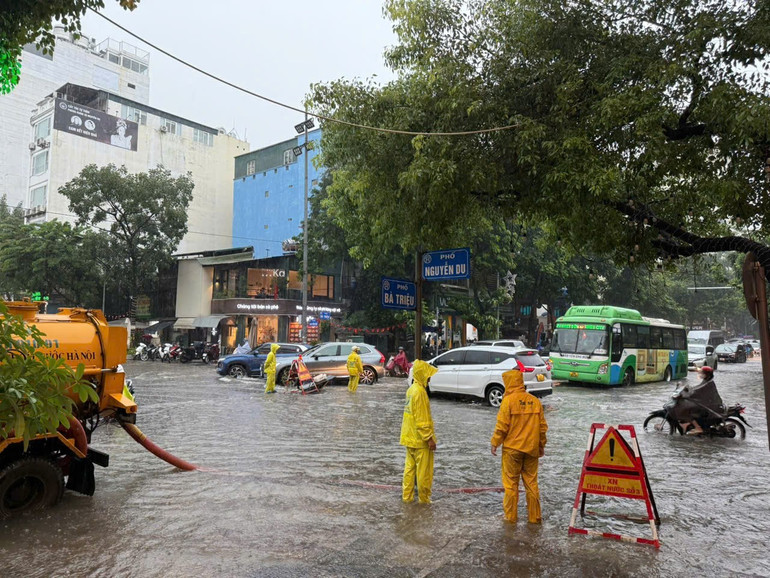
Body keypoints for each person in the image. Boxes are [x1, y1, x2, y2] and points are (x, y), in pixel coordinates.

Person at [490, 369, 548, 524]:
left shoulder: (508, 402)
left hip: (512, 451)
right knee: (532, 484)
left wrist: (495, 443)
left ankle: (510, 518)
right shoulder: (535, 401)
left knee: (511, 485)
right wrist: (541, 446)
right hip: (531, 450)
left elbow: (502, 427)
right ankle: (534, 518)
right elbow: (542, 428)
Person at [400, 359, 439, 503]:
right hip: (420, 441)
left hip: (409, 438)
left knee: (409, 471)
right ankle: (424, 500)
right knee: (424, 473)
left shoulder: (411, 390)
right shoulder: (420, 393)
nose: (429, 379)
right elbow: (422, 419)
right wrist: (429, 439)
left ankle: (407, 498)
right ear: (423, 375)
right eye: (428, 376)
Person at [672, 366, 723, 434]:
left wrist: (686, 394)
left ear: (707, 374)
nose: (700, 374)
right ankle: (688, 424)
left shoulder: (708, 383)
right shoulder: (707, 380)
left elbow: (698, 391)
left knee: (689, 410)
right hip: (707, 404)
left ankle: (698, 428)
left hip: (710, 406)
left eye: (702, 373)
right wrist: (687, 388)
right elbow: (697, 387)